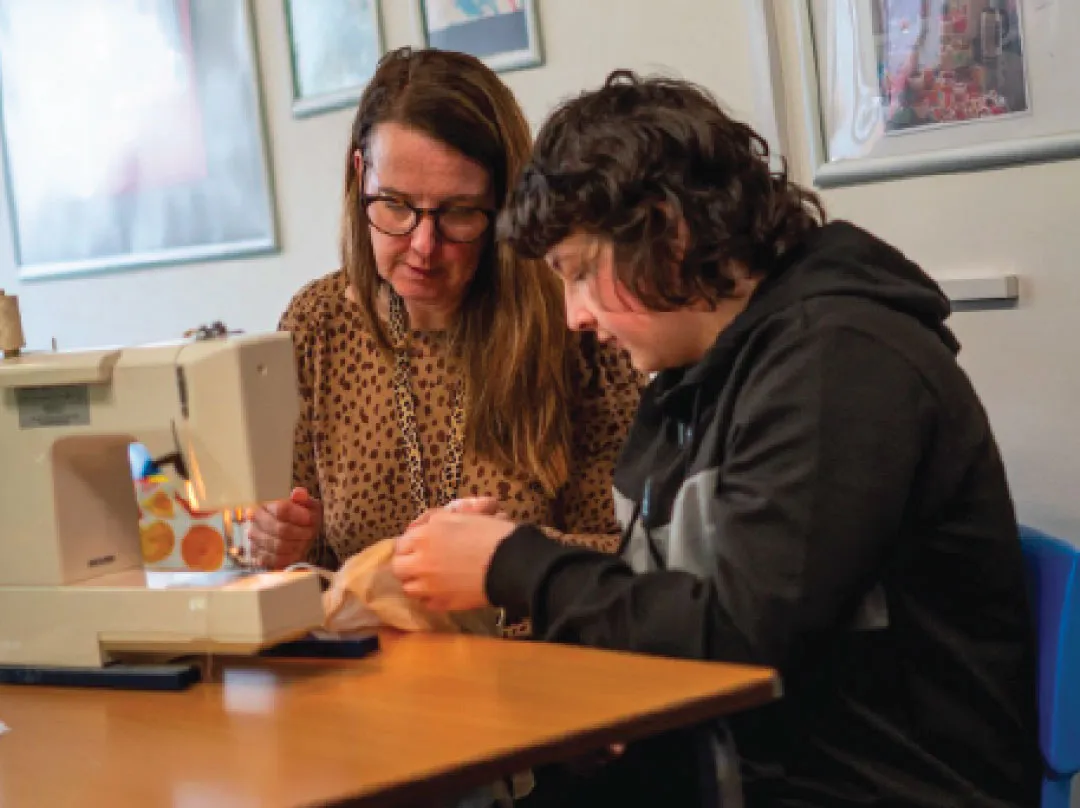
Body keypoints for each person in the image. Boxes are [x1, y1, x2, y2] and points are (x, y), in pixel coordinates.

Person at [389, 70, 1043, 807]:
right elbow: (677, 602)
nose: (574, 315)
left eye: (578, 274)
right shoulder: (690, 375)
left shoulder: (842, 362)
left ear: (666, 231)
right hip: (726, 763)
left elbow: (738, 639)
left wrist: (518, 563)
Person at [247, 48, 645, 596]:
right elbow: (315, 564)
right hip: (377, 664)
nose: (423, 246)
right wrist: (278, 544)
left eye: (458, 212)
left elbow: (635, 556)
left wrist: (506, 558)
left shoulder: (576, 325)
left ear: (504, 205)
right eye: (395, 205)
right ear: (359, 176)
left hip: (540, 662)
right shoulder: (319, 325)